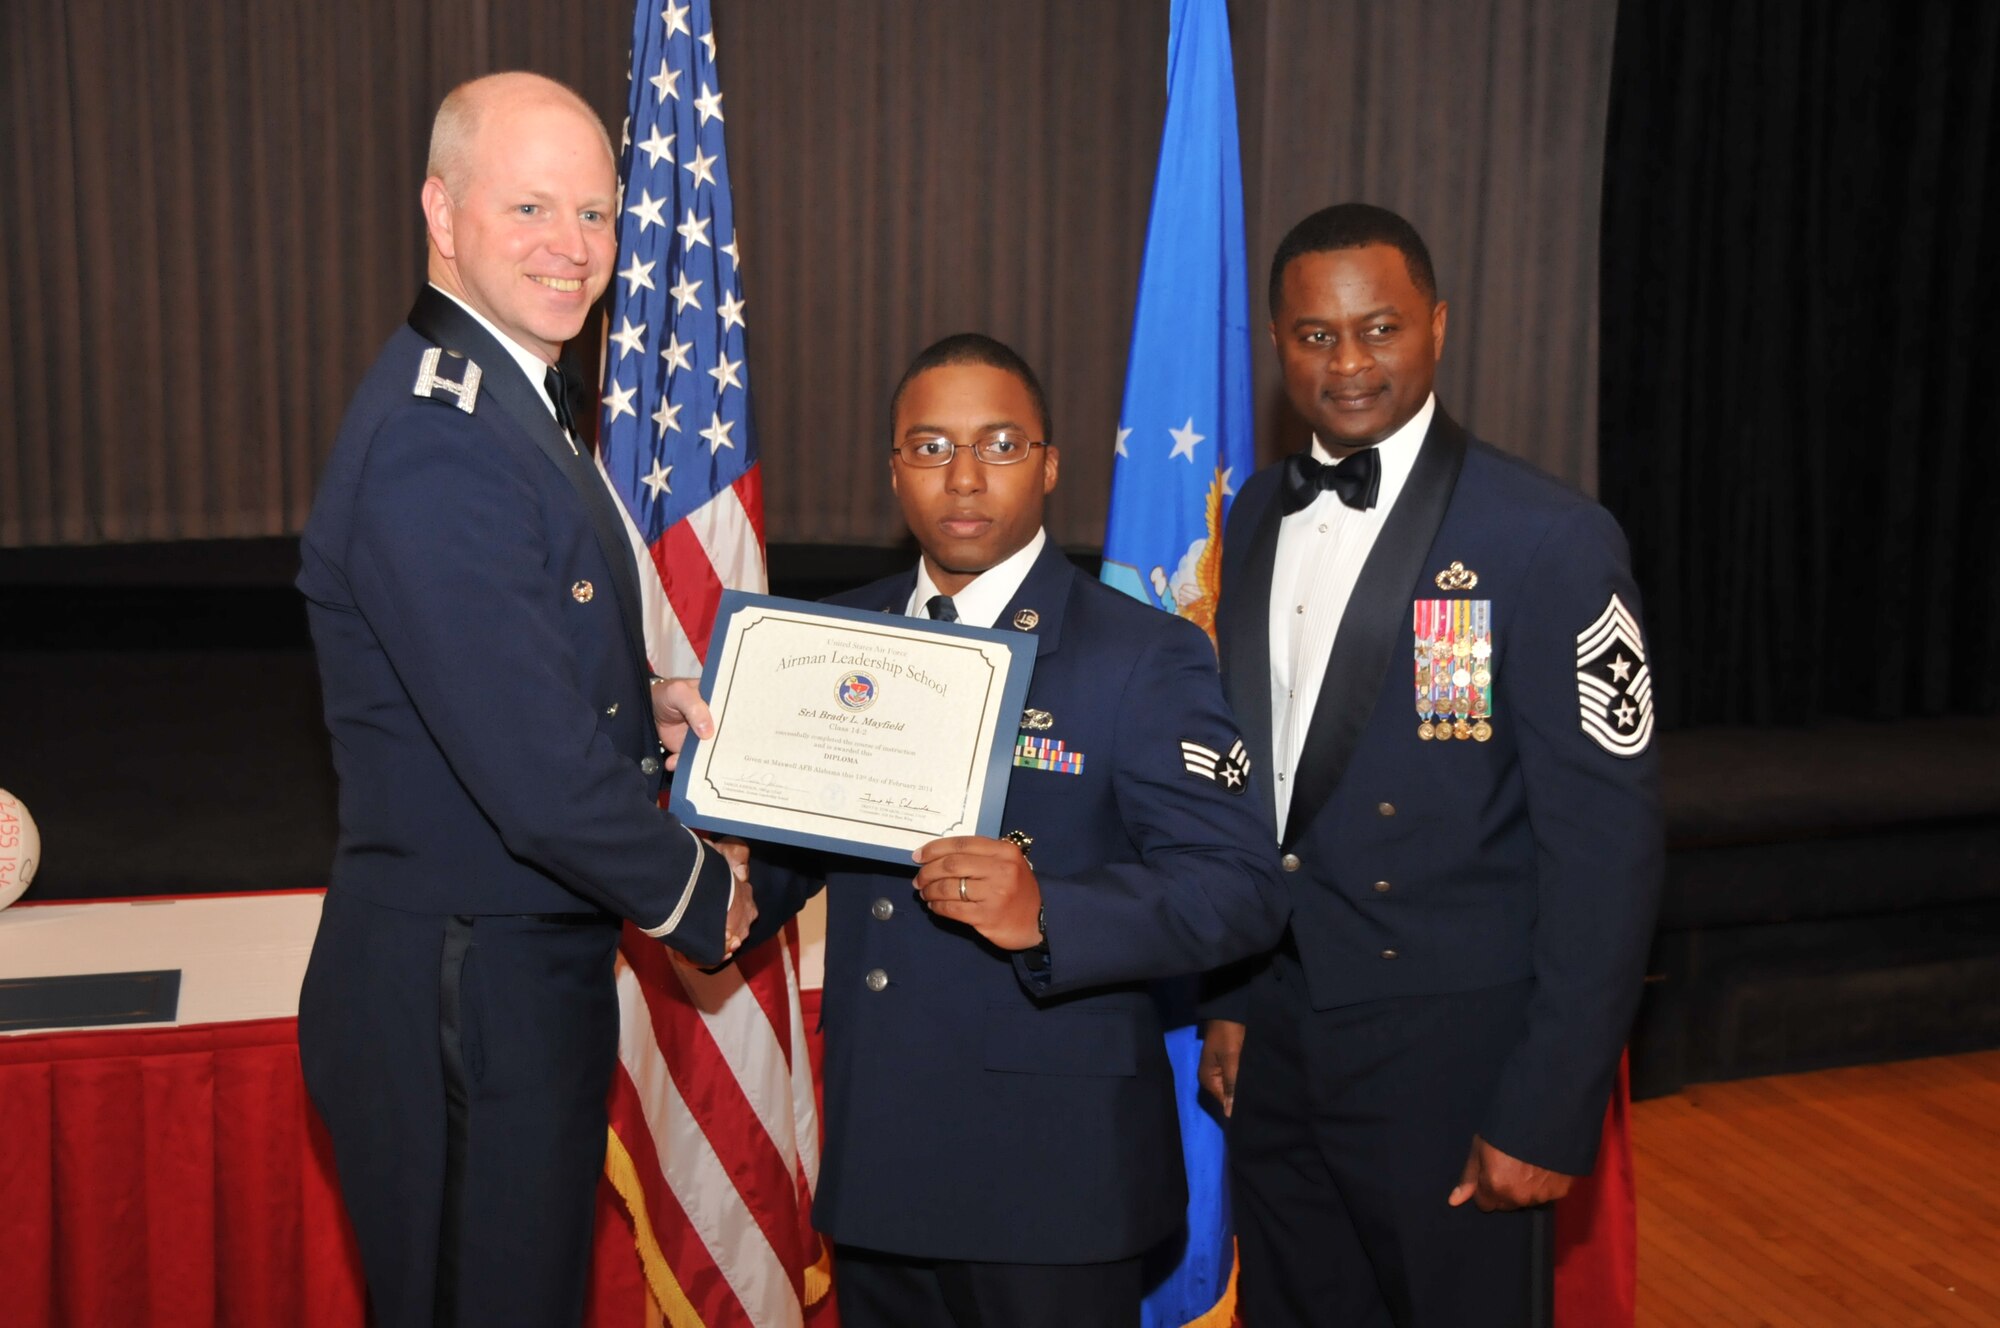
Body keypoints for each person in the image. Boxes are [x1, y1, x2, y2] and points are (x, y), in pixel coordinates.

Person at [295, 72, 753, 1327]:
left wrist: (641, 696)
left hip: (500, 976)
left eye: (596, 214)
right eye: (531, 207)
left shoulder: (503, 395)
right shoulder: (442, 431)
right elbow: (534, 774)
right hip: (461, 995)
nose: (573, 247)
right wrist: (706, 892)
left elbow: (516, 663)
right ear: (441, 212)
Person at [740, 334, 1288, 1328]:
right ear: (892, 469)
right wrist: (707, 806)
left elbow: (1240, 887)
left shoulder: (1139, 654)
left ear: (1046, 465)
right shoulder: (830, 641)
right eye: (928, 446)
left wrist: (1051, 914)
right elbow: (766, 873)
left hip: (1053, 1181)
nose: (961, 476)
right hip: (882, 1164)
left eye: (996, 444)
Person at [1196, 203, 1664, 1327]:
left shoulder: (1547, 536)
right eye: (1314, 334)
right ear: (1275, 343)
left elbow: (1606, 847)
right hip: (1284, 1037)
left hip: (1452, 1050)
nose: (1347, 362)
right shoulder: (1255, 509)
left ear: (1438, 327)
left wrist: (1548, 1106)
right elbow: (1259, 785)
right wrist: (1235, 999)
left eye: (1379, 328)